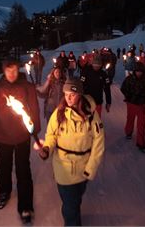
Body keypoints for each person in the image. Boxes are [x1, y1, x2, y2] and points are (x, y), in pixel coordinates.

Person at [0, 58, 41, 224]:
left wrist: (35, 130)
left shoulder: (27, 87)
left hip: (22, 137)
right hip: (2, 136)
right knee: (4, 165)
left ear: (18, 69)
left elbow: (34, 109)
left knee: (23, 169)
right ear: (3, 70)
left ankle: (25, 205)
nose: (12, 74)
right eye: (8, 70)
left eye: (14, 70)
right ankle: (4, 191)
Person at [37, 77, 105, 226]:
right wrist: (47, 148)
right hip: (64, 168)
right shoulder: (59, 113)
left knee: (76, 199)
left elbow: (99, 143)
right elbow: (51, 135)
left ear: (79, 94)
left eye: (72, 94)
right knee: (70, 205)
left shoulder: (91, 114)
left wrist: (90, 168)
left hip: (83, 168)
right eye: (66, 93)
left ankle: (73, 214)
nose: (68, 97)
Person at [120, 61, 145, 153]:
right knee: (130, 118)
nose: (139, 73)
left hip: (141, 104)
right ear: (134, 71)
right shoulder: (130, 79)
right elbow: (123, 88)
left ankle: (141, 143)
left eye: (141, 71)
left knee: (141, 123)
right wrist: (128, 96)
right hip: (131, 103)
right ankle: (128, 132)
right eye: (137, 71)